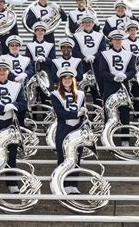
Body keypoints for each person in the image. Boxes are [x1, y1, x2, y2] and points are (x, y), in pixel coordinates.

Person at [0, 56, 27, 193]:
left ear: (9, 71)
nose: (2, 72)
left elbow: (23, 103)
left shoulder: (17, 86)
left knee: (11, 154)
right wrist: (2, 108)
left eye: (4, 69)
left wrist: (13, 105)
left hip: (10, 123)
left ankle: (12, 183)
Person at [50, 66, 87, 194]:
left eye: (69, 78)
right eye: (64, 78)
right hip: (63, 129)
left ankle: (73, 184)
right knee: (63, 158)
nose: (67, 80)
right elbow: (61, 113)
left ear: (73, 79)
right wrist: (78, 113)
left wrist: (84, 112)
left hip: (77, 129)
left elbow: (83, 113)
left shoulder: (81, 94)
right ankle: (62, 184)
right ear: (60, 80)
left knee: (76, 158)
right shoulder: (55, 94)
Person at [99, 30, 137, 147]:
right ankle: (107, 138)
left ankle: (125, 138)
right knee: (108, 112)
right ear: (111, 41)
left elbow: (133, 70)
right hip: (110, 86)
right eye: (115, 40)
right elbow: (102, 71)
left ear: (122, 41)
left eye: (119, 40)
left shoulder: (129, 54)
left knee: (125, 113)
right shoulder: (105, 54)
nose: (117, 41)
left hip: (124, 86)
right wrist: (113, 77)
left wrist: (125, 75)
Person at [72, 15, 106, 104]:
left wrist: (94, 56)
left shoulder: (100, 36)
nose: (87, 24)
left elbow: (102, 50)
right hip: (82, 67)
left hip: (96, 67)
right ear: (82, 24)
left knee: (98, 93)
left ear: (93, 24)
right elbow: (75, 51)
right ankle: (82, 115)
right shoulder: (76, 36)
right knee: (80, 91)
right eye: (85, 22)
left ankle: (98, 115)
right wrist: (84, 57)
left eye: (89, 22)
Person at [25, 22, 56, 103]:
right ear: (35, 32)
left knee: (46, 96)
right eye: (38, 30)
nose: (40, 32)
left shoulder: (50, 45)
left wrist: (45, 59)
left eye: (42, 30)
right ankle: (34, 116)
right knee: (33, 97)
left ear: (45, 32)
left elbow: (53, 60)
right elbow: (27, 60)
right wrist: (35, 61)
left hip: (46, 72)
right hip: (33, 71)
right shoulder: (29, 45)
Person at [123, 20, 139, 112]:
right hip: (128, 71)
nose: (132, 32)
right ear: (127, 31)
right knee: (127, 92)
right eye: (130, 30)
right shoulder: (123, 42)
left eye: (134, 30)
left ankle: (138, 113)